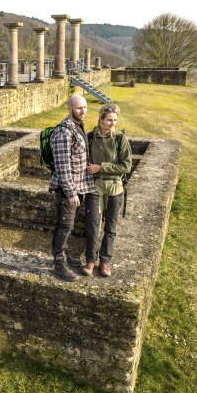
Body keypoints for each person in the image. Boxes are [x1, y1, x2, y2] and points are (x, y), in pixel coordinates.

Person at [49, 94, 95, 282]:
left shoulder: (78, 126)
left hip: (79, 186)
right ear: (69, 108)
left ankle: (65, 255)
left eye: (84, 107)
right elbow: (62, 166)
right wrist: (71, 193)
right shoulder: (64, 132)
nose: (83, 111)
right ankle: (59, 264)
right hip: (67, 189)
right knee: (64, 226)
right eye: (78, 108)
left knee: (66, 225)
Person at [83, 104, 132, 277]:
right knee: (93, 225)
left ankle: (104, 262)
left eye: (115, 120)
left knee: (110, 227)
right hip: (95, 187)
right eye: (109, 120)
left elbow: (126, 166)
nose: (112, 123)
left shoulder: (120, 139)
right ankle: (90, 260)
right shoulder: (89, 138)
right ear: (101, 119)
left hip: (115, 187)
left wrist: (101, 167)